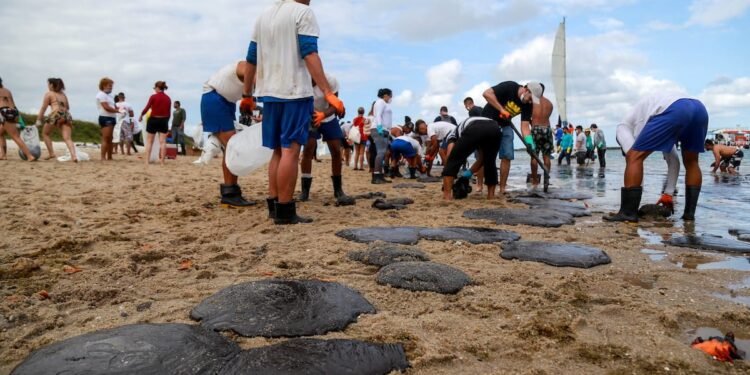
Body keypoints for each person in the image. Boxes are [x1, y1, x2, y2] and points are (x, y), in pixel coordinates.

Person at [243, 0, 344, 224]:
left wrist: (247, 95)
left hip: (268, 93)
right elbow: (309, 53)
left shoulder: (263, 15)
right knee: (290, 151)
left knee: (277, 151)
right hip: (294, 91)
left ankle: (274, 206)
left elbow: (251, 58)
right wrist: (327, 92)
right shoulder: (303, 12)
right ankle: (286, 210)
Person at [604, 94, 709, 222]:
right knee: (692, 161)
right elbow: (674, 161)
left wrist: (632, 204)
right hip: (699, 109)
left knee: (634, 157)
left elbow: (634, 159)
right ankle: (689, 215)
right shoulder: (645, 114)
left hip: (675, 109)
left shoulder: (623, 127)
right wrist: (668, 194)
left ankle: (628, 213)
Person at [201, 61, 257, 208]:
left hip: (226, 102)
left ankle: (230, 192)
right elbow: (247, 73)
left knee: (231, 147)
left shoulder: (257, 72)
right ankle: (230, 193)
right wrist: (249, 94)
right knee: (233, 146)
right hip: (214, 98)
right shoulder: (248, 65)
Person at [482, 81, 543, 194]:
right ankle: (480, 186)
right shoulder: (509, 87)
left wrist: (529, 142)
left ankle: (502, 188)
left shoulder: (527, 105)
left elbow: (525, 126)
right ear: (526, 90)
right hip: (487, 121)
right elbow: (486, 94)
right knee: (484, 156)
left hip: (505, 125)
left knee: (507, 155)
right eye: (531, 98)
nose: (531, 101)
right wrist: (502, 109)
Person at [299, 73, 350, 202]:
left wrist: (323, 115)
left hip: (328, 116)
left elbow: (335, 105)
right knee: (308, 149)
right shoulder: (299, 80)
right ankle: (305, 191)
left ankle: (338, 190)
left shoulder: (330, 81)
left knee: (336, 151)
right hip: (309, 116)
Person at [441, 117, 502, 200]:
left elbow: (450, 156)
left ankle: (447, 196)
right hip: (495, 127)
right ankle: (491, 196)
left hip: (475, 126)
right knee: (490, 162)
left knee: (453, 161)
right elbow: (482, 159)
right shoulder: (464, 128)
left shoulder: (451, 135)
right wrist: (467, 174)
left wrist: (447, 177)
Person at [37, 78, 77, 161]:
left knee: (45, 133)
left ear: (51, 85)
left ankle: (51, 153)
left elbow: (43, 108)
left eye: (48, 84)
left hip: (56, 114)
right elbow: (68, 107)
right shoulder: (63, 95)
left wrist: (38, 120)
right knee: (67, 138)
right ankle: (74, 156)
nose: (48, 86)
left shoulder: (49, 94)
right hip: (66, 115)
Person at [0, 77, 36, 161]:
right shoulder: (7, 90)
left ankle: (30, 156)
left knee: (15, 136)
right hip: (13, 111)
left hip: (4, 112)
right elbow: (12, 103)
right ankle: (3, 155)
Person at [140, 81, 172, 165]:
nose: (154, 90)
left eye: (155, 88)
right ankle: (162, 162)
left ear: (158, 88)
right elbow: (169, 112)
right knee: (163, 142)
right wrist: (166, 121)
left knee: (149, 141)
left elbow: (147, 108)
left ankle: (147, 161)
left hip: (153, 119)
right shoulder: (168, 98)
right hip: (164, 120)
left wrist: (141, 115)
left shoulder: (153, 97)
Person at [529, 88, 554, 185]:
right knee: (546, 156)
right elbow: (547, 117)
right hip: (547, 129)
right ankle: (546, 180)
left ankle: (535, 180)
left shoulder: (533, 102)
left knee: (534, 156)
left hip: (536, 128)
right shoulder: (549, 103)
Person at [370, 89, 393, 184]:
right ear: (386, 95)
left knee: (382, 153)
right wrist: (380, 128)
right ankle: (376, 176)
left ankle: (379, 175)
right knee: (381, 152)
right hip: (379, 129)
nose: (391, 98)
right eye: (390, 96)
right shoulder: (381, 102)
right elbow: (378, 115)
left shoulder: (382, 103)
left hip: (384, 129)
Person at [96, 78, 119, 161]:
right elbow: (106, 107)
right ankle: (103, 157)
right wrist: (117, 110)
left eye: (111, 86)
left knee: (110, 138)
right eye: (109, 86)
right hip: (105, 117)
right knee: (106, 137)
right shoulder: (101, 94)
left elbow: (113, 106)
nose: (111, 87)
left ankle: (109, 156)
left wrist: (119, 109)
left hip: (112, 117)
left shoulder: (110, 96)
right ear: (104, 85)